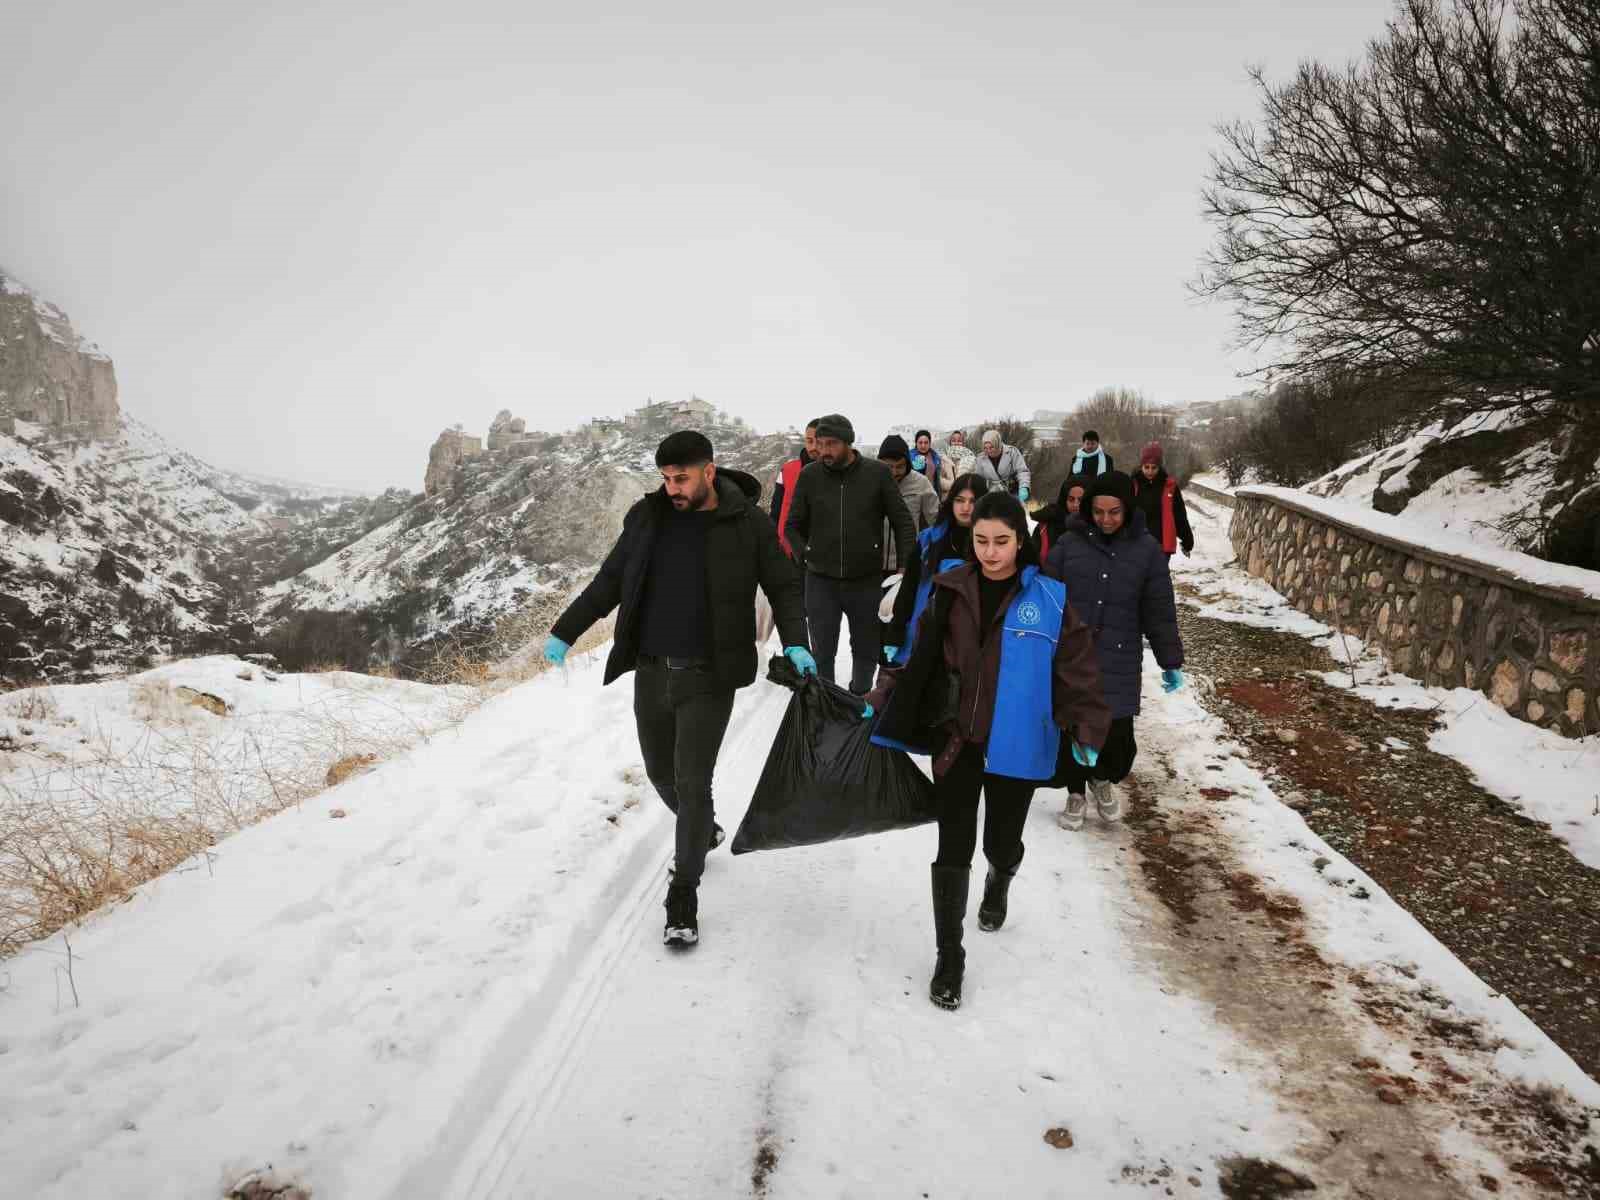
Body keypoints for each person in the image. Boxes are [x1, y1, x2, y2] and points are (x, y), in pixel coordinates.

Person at [543, 431, 815, 949]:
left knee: (693, 782)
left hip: (710, 675)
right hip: (652, 670)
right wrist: (564, 630)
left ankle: (683, 893)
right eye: (666, 478)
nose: (672, 488)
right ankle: (703, 830)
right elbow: (609, 580)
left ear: (708, 471)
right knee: (659, 772)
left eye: (681, 477)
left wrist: (797, 640)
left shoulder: (746, 524)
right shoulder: (647, 519)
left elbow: (782, 584)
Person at [866, 492, 1111, 1011]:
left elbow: (1078, 672)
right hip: (957, 740)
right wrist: (879, 696)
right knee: (953, 847)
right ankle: (949, 955)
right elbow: (919, 658)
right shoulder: (949, 591)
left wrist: (1088, 729)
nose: (991, 552)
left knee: (1000, 843)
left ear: (1020, 541)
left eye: (1002, 541)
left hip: (1018, 747)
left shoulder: (1050, 600)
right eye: (981, 541)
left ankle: (1000, 878)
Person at [1043, 470, 1185, 831]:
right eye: (1098, 511)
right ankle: (1076, 792)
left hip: (1119, 657)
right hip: (1073, 657)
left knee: (1118, 740)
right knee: (1073, 729)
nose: (1105, 520)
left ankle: (1102, 778)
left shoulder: (1147, 550)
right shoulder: (1070, 544)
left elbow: (1159, 609)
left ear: (1128, 509)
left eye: (1114, 512)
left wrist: (1169, 661)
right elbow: (1045, 593)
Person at [784, 414, 916, 694]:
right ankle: (826, 703)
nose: (824, 450)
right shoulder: (810, 476)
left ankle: (860, 700)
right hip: (820, 581)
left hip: (865, 580)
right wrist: (805, 555)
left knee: (866, 650)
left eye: (831, 443)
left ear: (848, 442)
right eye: (819, 443)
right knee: (822, 651)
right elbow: (792, 526)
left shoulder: (877, 473)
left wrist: (905, 567)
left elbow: (903, 522)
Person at [882, 472, 985, 665]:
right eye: (960, 500)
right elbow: (909, 587)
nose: (966, 508)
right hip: (923, 630)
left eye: (973, 501)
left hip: (967, 639)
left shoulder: (989, 545)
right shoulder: (929, 540)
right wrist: (895, 631)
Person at [878, 435, 940, 574]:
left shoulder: (921, 482)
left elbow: (935, 519)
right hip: (874, 563)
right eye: (889, 467)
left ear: (908, 464)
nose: (894, 472)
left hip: (906, 562)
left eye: (900, 467)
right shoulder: (872, 480)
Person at [1132, 442, 1194, 558]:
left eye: (1154, 468)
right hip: (1136, 543)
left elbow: (1179, 515)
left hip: (1160, 545)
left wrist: (1187, 541)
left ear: (1160, 467)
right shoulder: (1132, 484)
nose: (1150, 471)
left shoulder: (1169, 487)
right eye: (1146, 467)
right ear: (1141, 466)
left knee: (1158, 575)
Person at [770, 417, 819, 559]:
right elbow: (776, 511)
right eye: (809, 441)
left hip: (821, 554)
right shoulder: (787, 470)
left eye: (818, 441)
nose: (813, 447)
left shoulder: (836, 474)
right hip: (787, 552)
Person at [1028, 476, 1088, 560]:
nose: (1076, 504)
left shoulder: (1096, 528)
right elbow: (1030, 559)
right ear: (1064, 500)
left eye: (1080, 500)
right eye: (1071, 499)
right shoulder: (1046, 526)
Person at [973, 428, 1031, 500]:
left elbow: (1022, 471)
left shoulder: (1012, 452)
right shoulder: (980, 458)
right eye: (985, 448)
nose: (988, 451)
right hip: (991, 495)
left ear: (997, 444)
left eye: (991, 447)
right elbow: (978, 479)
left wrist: (1024, 487)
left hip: (1012, 492)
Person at [910, 429, 954, 497]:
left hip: (933, 495)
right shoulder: (910, 457)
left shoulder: (935, 457)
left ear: (930, 443)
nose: (923, 445)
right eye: (920, 442)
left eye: (926, 442)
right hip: (916, 495)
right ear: (916, 443)